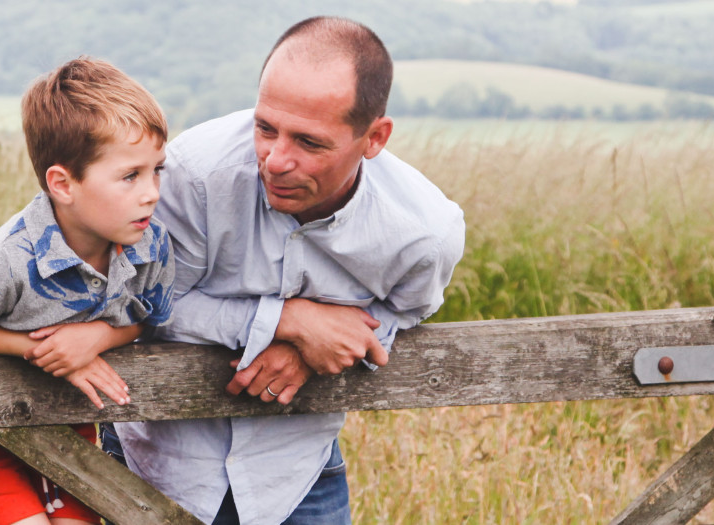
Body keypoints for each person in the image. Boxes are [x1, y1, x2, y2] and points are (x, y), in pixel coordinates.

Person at [104, 17, 466, 525]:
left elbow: (406, 310)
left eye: (310, 143)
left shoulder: (424, 232)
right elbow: (148, 304)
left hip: (298, 474)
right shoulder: (194, 173)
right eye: (265, 127)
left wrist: (312, 353)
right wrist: (287, 321)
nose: (275, 160)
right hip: (157, 463)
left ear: (374, 138)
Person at [0, 57, 176, 525]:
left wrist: (97, 338)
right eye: (130, 176)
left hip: (68, 425)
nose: (152, 192)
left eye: (157, 170)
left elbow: (150, 317)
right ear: (62, 184)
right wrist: (32, 349)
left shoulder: (150, 246)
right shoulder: (5, 259)